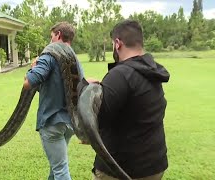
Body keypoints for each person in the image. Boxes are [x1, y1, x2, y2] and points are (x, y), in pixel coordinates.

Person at [87, 20, 170, 179]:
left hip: (122, 170)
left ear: (117, 44)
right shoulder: (152, 71)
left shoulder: (120, 74)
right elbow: (135, 104)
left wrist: (86, 88)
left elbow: (96, 120)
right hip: (154, 166)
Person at [23, 22, 84, 180]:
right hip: (70, 123)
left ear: (58, 35)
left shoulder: (48, 56)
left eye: (51, 37)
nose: (50, 42)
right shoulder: (75, 60)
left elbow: (29, 83)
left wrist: (33, 67)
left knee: (60, 169)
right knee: (56, 165)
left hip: (52, 123)